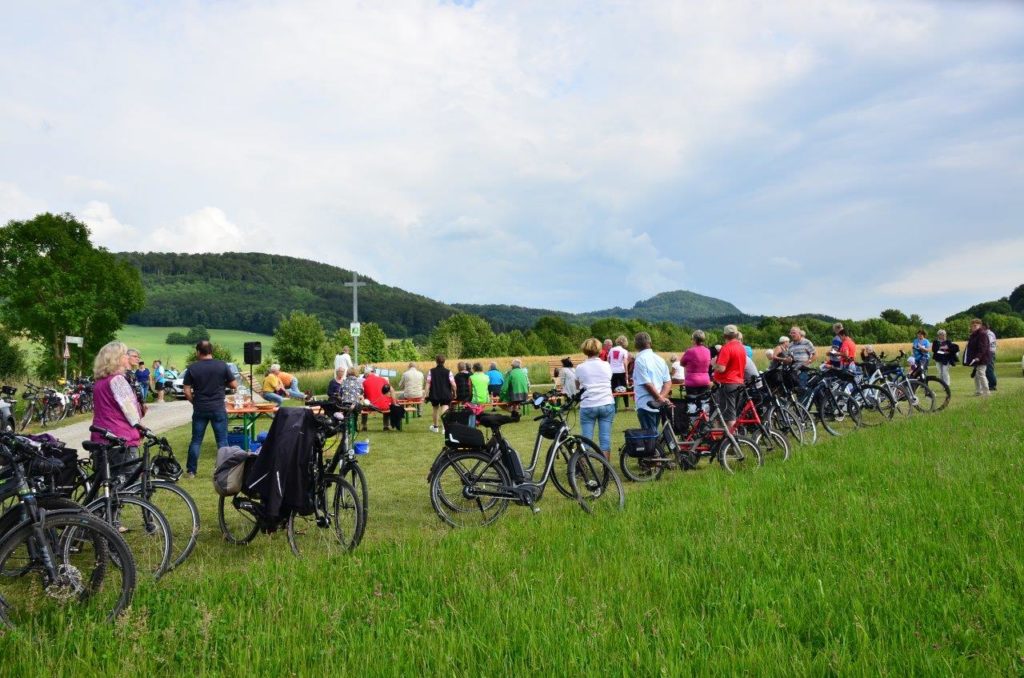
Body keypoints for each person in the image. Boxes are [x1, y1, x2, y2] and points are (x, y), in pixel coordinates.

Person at [183, 340, 237, 478]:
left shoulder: (192, 368)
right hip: (218, 407)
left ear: (198, 352)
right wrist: (221, 383)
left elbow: (187, 391)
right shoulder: (222, 365)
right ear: (211, 351)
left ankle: (191, 471)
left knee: (196, 440)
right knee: (222, 441)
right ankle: (223, 470)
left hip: (200, 408)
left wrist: (194, 402)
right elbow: (234, 385)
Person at [90, 341, 143, 466]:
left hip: (100, 436)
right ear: (117, 359)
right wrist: (140, 428)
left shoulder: (99, 382)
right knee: (129, 482)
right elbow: (131, 412)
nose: (127, 356)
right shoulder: (118, 380)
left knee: (110, 482)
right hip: (120, 437)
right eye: (124, 354)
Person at [575, 338, 615, 458]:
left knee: (586, 438)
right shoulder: (606, 365)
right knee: (605, 438)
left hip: (588, 404)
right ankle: (606, 469)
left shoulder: (580, 367)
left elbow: (578, 386)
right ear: (599, 350)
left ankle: (584, 467)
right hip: (606, 402)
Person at [631, 332, 671, 431]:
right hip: (658, 403)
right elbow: (667, 382)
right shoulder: (660, 359)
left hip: (646, 404)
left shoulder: (640, 360)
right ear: (650, 343)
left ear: (636, 345)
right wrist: (661, 397)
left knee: (649, 437)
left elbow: (647, 384)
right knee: (654, 432)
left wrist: (658, 398)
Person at [713, 325, 746, 431]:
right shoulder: (741, 347)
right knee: (731, 413)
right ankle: (723, 439)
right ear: (736, 334)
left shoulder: (726, 348)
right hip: (739, 382)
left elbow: (721, 368)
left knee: (729, 417)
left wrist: (713, 364)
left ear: (724, 335)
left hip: (728, 383)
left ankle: (733, 443)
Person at [426, 355, 456, 433]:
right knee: (445, 409)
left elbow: (428, 383)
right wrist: (454, 392)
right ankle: (444, 428)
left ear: (436, 361)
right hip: (446, 394)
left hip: (434, 393)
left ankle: (435, 427)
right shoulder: (448, 371)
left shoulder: (431, 371)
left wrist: (426, 394)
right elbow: (453, 384)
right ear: (444, 361)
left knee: (435, 409)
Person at [681, 330, 711, 396]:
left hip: (692, 381)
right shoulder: (707, 351)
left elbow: (682, 363)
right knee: (704, 403)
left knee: (692, 404)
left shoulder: (690, 351)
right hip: (705, 380)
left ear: (694, 340)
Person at [965, 319, 991, 396]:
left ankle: (986, 392)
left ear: (980, 325)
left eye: (976, 325)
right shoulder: (973, 335)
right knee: (976, 375)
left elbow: (983, 347)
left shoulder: (982, 334)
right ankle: (978, 391)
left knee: (981, 374)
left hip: (982, 358)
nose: (974, 326)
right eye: (973, 325)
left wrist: (978, 357)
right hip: (975, 358)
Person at [607, 335, 630, 409]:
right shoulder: (624, 351)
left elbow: (608, 361)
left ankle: (613, 406)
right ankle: (626, 406)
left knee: (612, 388)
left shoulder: (611, 350)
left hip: (612, 371)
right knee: (624, 388)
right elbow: (625, 363)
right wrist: (626, 373)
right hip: (621, 371)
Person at [984, 322, 997, 391]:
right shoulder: (989, 333)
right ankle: (991, 384)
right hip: (989, 353)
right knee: (988, 369)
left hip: (990, 353)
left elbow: (987, 342)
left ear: (984, 327)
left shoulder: (989, 334)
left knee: (989, 369)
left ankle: (992, 385)